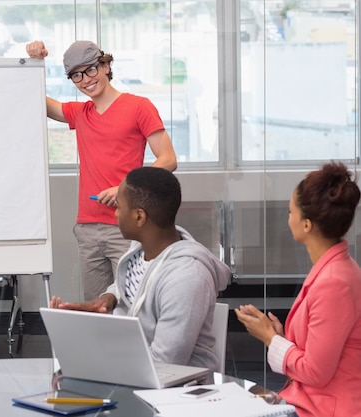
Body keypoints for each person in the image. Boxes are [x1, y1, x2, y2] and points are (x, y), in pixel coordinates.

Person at [27, 40, 178, 301]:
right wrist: (33, 61)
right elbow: (33, 98)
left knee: (133, 304)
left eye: (91, 70)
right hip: (88, 227)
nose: (85, 79)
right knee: (97, 308)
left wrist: (124, 190)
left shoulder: (138, 107)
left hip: (127, 225)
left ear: (106, 66)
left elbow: (168, 159)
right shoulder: (80, 113)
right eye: (76, 75)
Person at [51, 167, 229, 370]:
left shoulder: (187, 277)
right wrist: (109, 297)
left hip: (177, 389)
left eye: (118, 206)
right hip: (133, 370)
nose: (116, 214)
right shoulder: (139, 252)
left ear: (139, 217)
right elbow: (132, 285)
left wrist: (101, 365)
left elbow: (166, 365)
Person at [235, 161, 361, 417]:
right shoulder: (333, 269)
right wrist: (279, 337)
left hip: (323, 410)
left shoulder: (334, 282)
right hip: (308, 401)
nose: (287, 218)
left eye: (290, 212)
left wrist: (271, 339)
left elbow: (316, 371)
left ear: (306, 225)